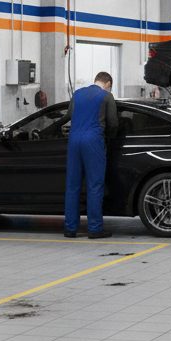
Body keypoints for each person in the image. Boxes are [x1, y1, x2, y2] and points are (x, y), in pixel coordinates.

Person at [63, 71, 118, 239]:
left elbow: (69, 116)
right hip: (93, 140)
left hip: (74, 141)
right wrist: (110, 139)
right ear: (108, 84)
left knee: (72, 186)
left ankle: (70, 228)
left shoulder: (77, 94)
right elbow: (113, 123)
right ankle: (95, 229)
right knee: (94, 185)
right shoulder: (106, 96)